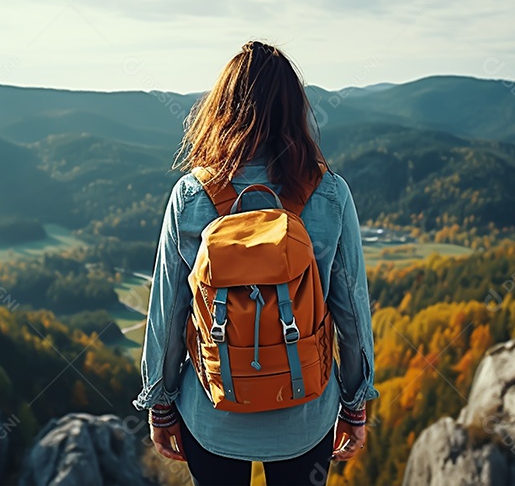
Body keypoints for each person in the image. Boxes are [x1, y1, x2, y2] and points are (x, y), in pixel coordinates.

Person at [133, 41, 378, 486]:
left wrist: (162, 404)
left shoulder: (190, 195)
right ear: (295, 111)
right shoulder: (329, 193)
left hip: (212, 413)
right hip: (305, 414)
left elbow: (168, 313)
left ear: (221, 108)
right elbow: (352, 313)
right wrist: (355, 404)